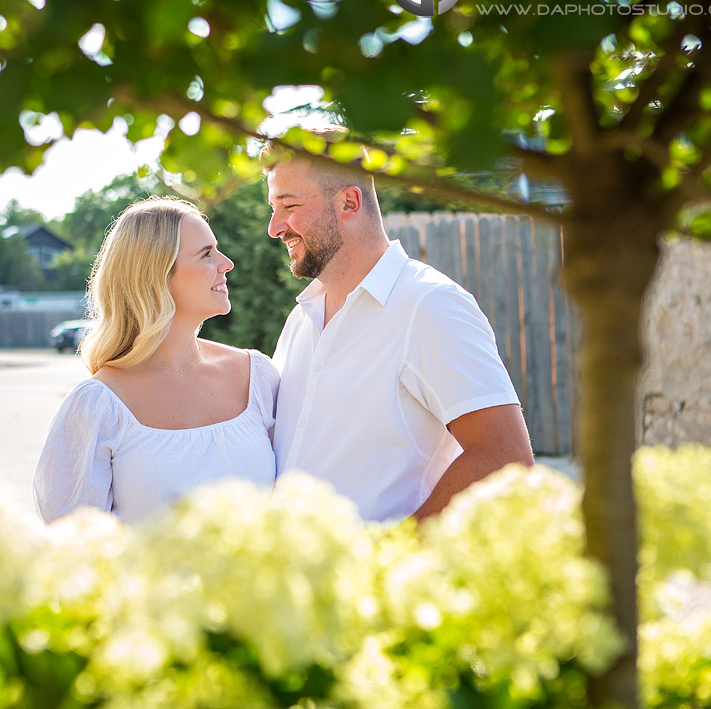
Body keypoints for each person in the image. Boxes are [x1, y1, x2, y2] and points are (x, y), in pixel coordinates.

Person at [265, 148, 534, 523]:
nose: (274, 228)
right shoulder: (300, 320)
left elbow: (504, 459)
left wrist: (394, 552)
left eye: (288, 206)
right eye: (272, 210)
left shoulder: (431, 305)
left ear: (349, 202)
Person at [33, 197, 279, 523]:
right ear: (156, 276)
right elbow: (70, 549)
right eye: (206, 254)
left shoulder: (257, 376)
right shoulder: (96, 406)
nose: (227, 263)